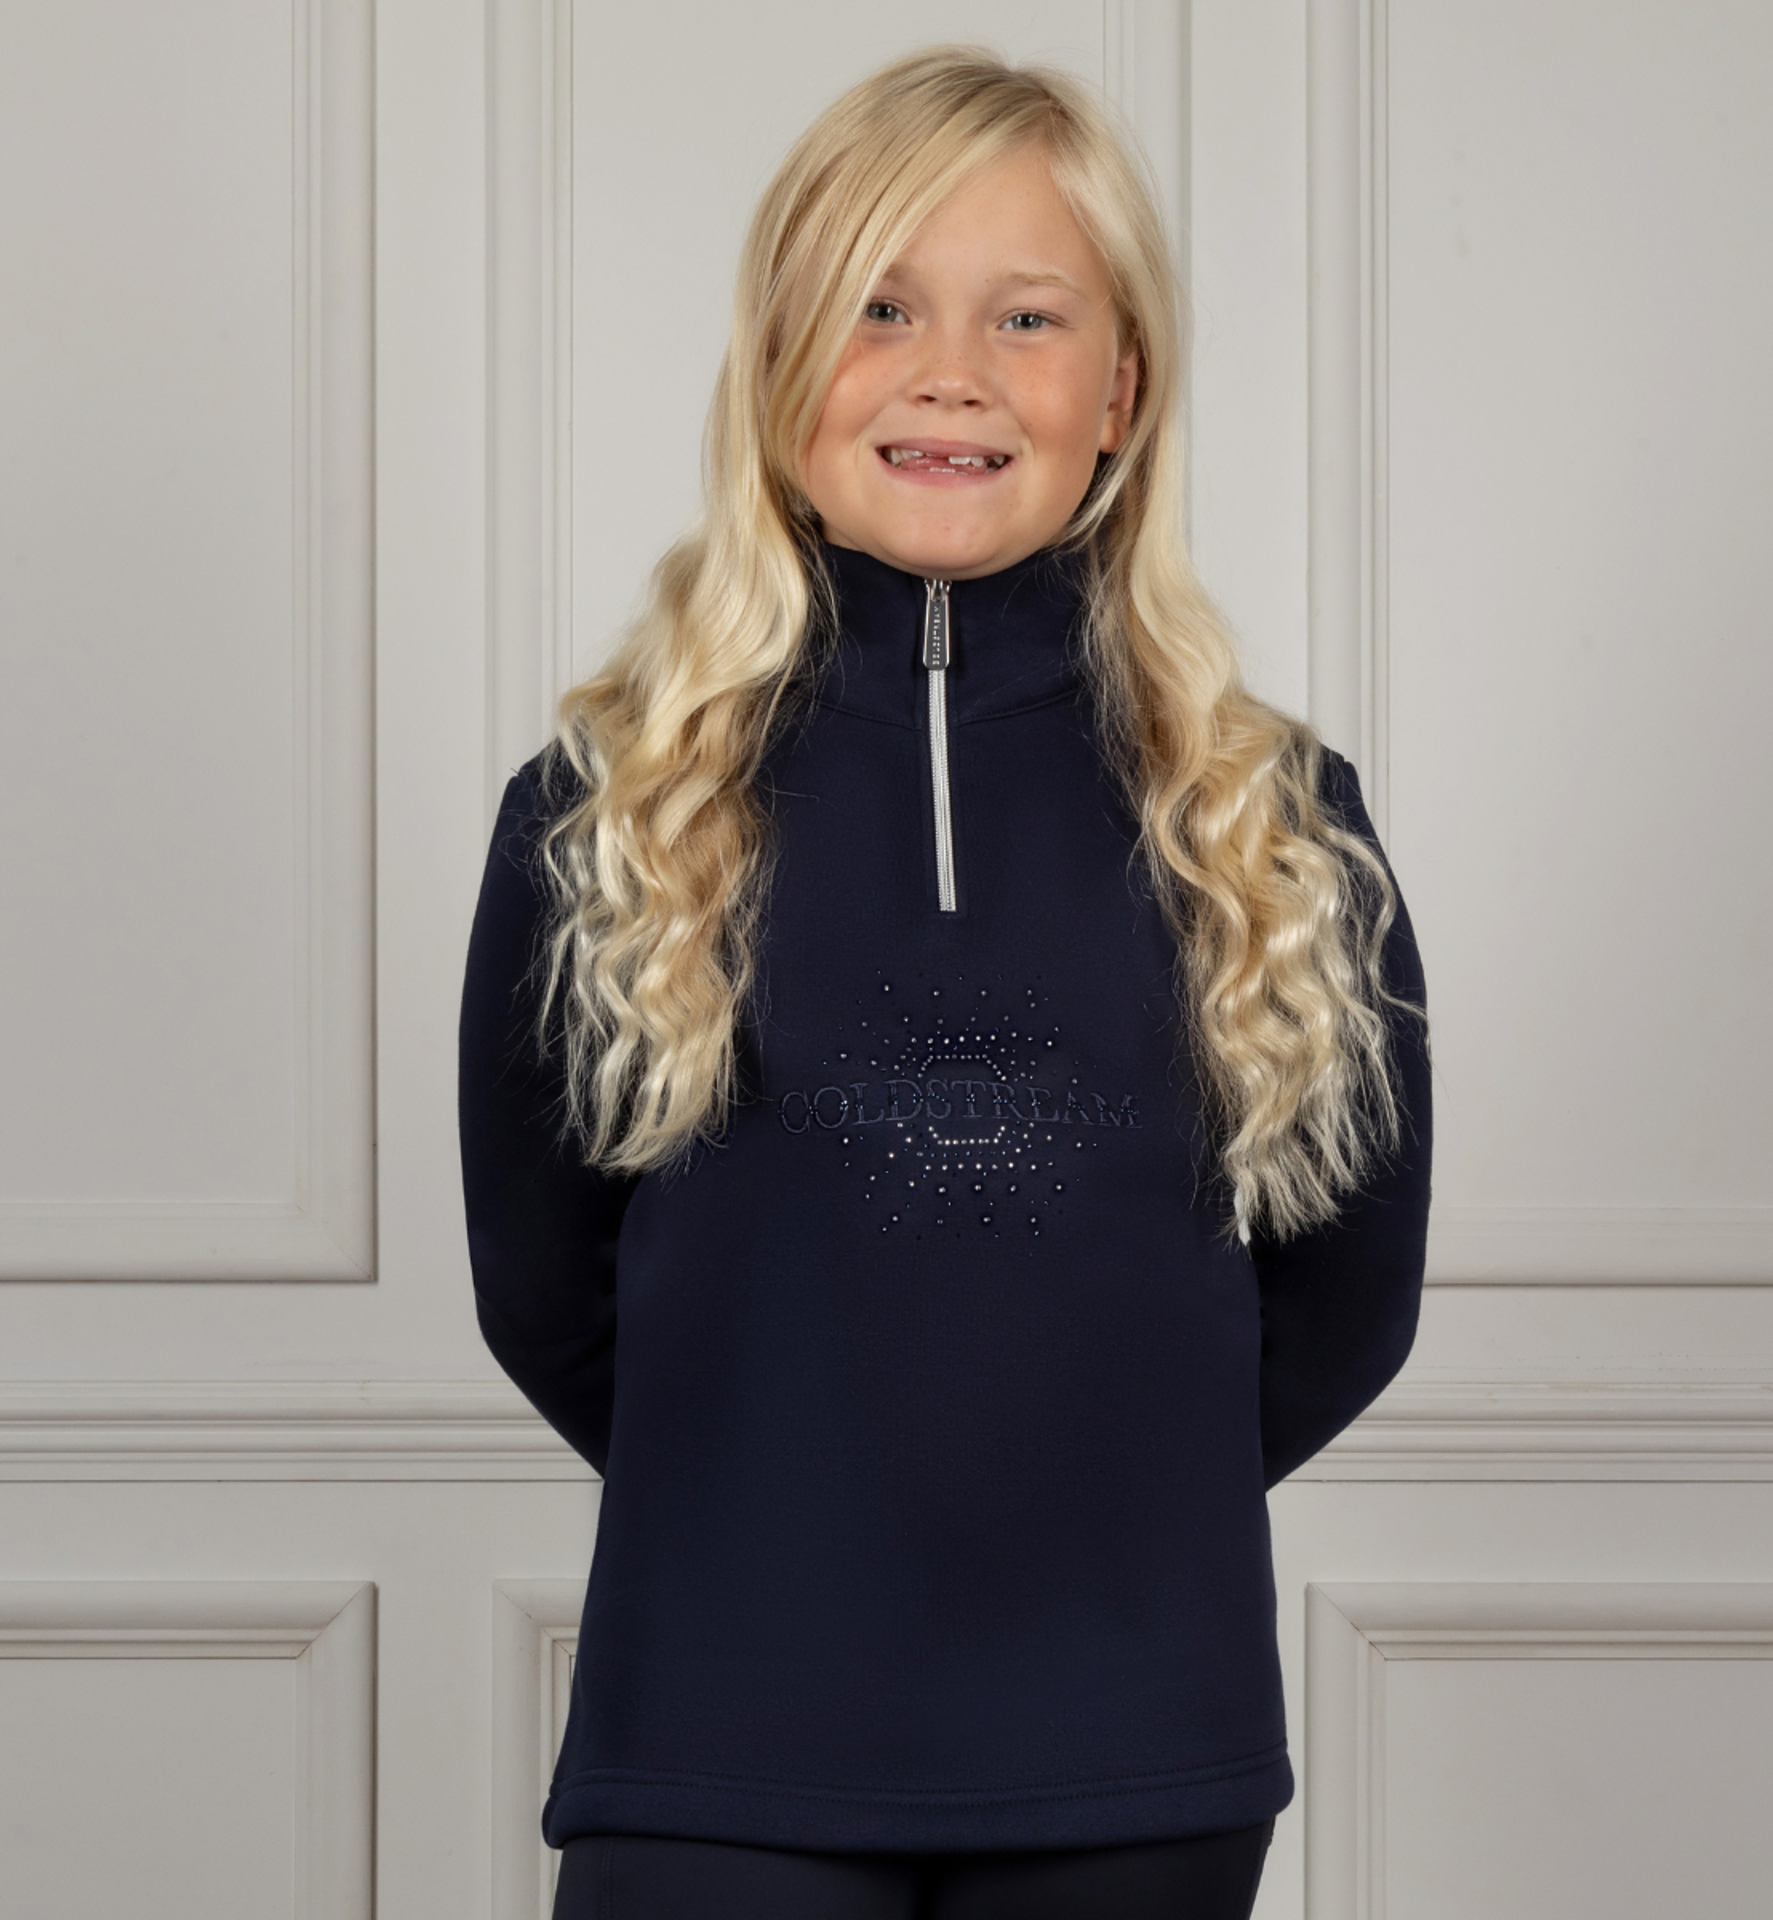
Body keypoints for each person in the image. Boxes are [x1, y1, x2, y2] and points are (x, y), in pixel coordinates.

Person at [459, 44, 1430, 1920]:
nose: (951, 371)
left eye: (1028, 316)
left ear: (1120, 387)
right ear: (778, 363)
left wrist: (1105, 1506)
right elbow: (544, 1285)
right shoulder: (602, 811)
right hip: (718, 1742)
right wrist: (782, 1511)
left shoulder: (1274, 819)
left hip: (1134, 1751)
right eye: (881, 307)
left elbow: (1348, 1294)